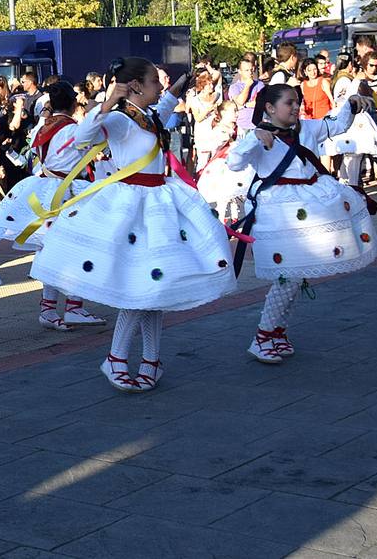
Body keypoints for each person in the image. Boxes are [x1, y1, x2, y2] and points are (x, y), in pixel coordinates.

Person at [29, 59, 235, 391]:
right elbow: (84, 136)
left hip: (158, 204)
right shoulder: (120, 119)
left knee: (157, 290)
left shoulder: (149, 116)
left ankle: (151, 359)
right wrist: (108, 100)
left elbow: (164, 110)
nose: (159, 86)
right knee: (141, 291)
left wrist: (180, 87)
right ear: (136, 86)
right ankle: (116, 358)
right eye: (155, 81)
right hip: (133, 209)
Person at [227, 84, 377, 363]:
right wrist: (255, 139)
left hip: (307, 209)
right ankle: (263, 336)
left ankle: (276, 332)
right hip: (279, 215)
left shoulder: (305, 128)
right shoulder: (257, 136)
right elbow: (234, 162)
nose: (296, 107)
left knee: (296, 276)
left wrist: (352, 103)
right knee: (288, 276)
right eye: (290, 103)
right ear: (271, 108)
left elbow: (336, 125)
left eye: (297, 102)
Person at [0, 81, 106, 330]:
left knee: (52, 249)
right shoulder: (72, 129)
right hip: (65, 193)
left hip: (45, 188)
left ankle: (53, 308)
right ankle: (69, 307)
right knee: (73, 249)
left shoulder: (45, 125)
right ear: (74, 104)